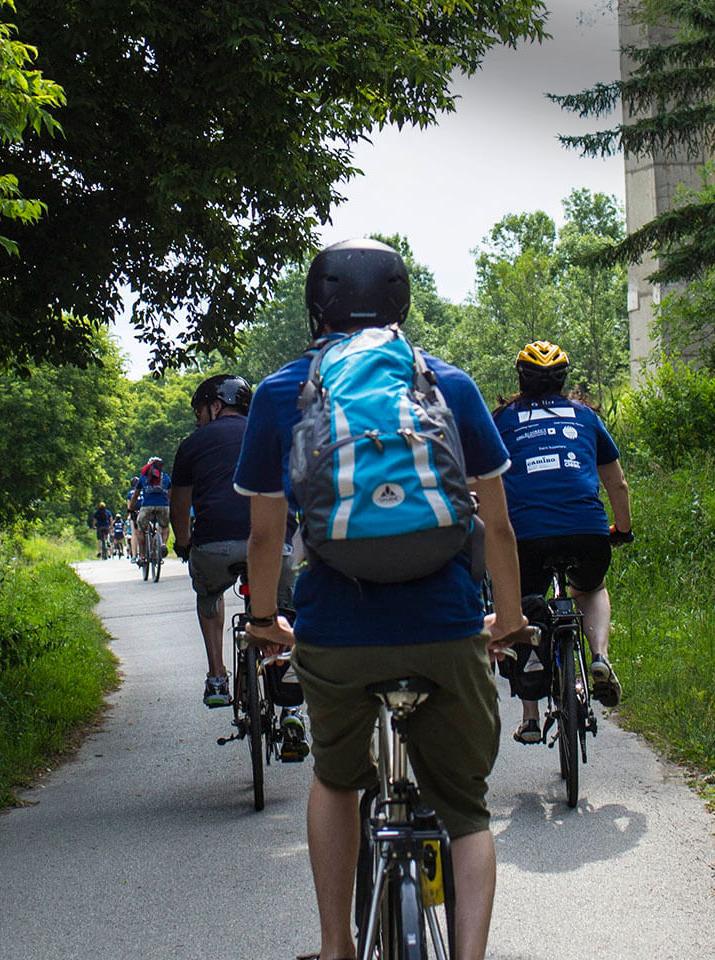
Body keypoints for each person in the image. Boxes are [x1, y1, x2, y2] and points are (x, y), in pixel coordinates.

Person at [234, 238, 528, 960]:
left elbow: (266, 535)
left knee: (337, 780)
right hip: (445, 623)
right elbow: (497, 523)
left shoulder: (281, 393)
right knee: (466, 813)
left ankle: (336, 948)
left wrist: (268, 620)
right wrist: (512, 618)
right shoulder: (445, 385)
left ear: (315, 305)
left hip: (337, 630)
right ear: (402, 300)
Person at [491, 340, 633, 745]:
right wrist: (621, 528)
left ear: (521, 378)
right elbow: (616, 483)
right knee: (590, 587)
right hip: (587, 529)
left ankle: (531, 715)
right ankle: (601, 657)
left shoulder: (502, 420)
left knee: (522, 607)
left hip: (526, 537)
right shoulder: (586, 417)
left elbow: (487, 482)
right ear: (563, 379)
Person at [169, 374, 298, 738]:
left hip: (215, 547)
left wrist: (184, 544)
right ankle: (290, 706)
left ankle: (217, 678)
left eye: (199, 411)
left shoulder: (193, 443)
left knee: (209, 594)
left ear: (215, 406)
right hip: (277, 545)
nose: (197, 420)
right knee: (285, 610)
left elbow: (179, 507)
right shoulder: (274, 433)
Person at [128, 456, 171, 564]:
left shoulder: (143, 478)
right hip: (163, 506)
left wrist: (130, 508)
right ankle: (163, 544)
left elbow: (135, 495)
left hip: (147, 507)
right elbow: (170, 495)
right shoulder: (165, 477)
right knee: (165, 526)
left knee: (140, 528)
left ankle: (142, 556)